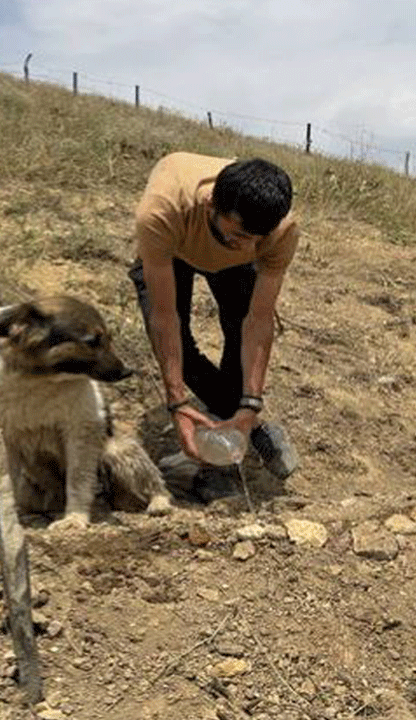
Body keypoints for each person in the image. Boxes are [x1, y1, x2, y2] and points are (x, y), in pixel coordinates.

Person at [127, 151, 300, 496]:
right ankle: (226, 445)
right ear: (210, 206)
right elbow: (166, 319)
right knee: (179, 352)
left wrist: (250, 402)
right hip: (174, 247)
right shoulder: (162, 213)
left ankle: (229, 437)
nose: (248, 247)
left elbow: (258, 322)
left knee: (239, 337)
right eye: (238, 235)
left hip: (221, 248)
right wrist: (177, 403)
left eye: (257, 238)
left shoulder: (279, 231)